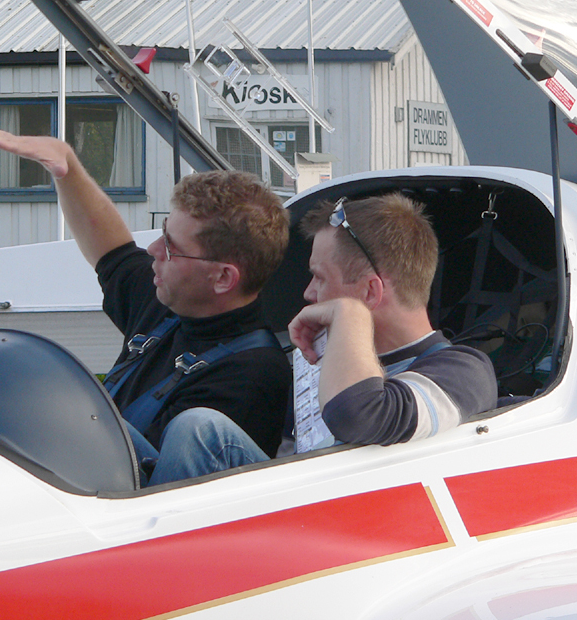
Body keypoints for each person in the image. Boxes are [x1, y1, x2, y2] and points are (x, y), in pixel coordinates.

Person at [0, 127, 292, 482]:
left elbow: (145, 482)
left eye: (170, 247)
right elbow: (112, 249)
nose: (153, 251)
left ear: (222, 278)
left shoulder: (252, 376)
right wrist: (66, 166)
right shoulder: (172, 302)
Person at [146, 192, 497, 485]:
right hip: (300, 510)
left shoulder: (464, 372)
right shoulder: (324, 358)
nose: (309, 293)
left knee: (197, 428)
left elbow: (357, 415)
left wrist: (349, 314)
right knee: (135, 438)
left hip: (353, 530)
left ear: (370, 292)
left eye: (319, 277)